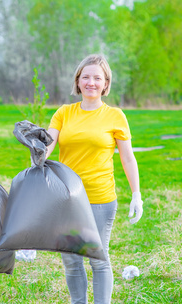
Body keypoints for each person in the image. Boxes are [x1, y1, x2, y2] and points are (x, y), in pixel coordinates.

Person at [45, 54, 144, 304]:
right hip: (66, 198)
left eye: (97, 78)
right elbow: (46, 146)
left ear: (106, 83)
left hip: (100, 198)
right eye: (86, 77)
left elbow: (128, 158)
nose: (91, 82)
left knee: (98, 258)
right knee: (71, 259)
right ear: (78, 81)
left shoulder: (115, 116)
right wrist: (35, 146)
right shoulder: (63, 113)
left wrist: (136, 194)